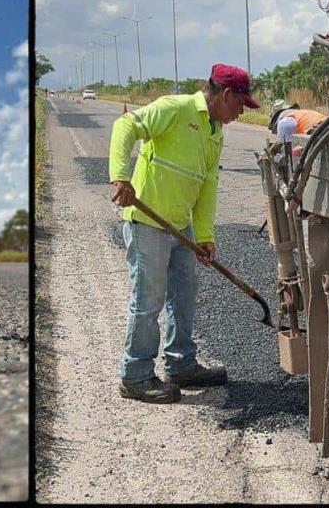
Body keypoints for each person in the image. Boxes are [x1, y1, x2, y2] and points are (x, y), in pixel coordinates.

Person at [108, 63, 258, 404]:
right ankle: (135, 375)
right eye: (240, 105)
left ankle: (180, 364)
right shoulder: (175, 108)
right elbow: (125, 125)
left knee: (184, 294)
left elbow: (207, 185)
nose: (241, 112)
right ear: (225, 95)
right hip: (148, 222)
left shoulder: (215, 130)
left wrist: (205, 235)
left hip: (181, 227)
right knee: (149, 301)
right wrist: (120, 177)